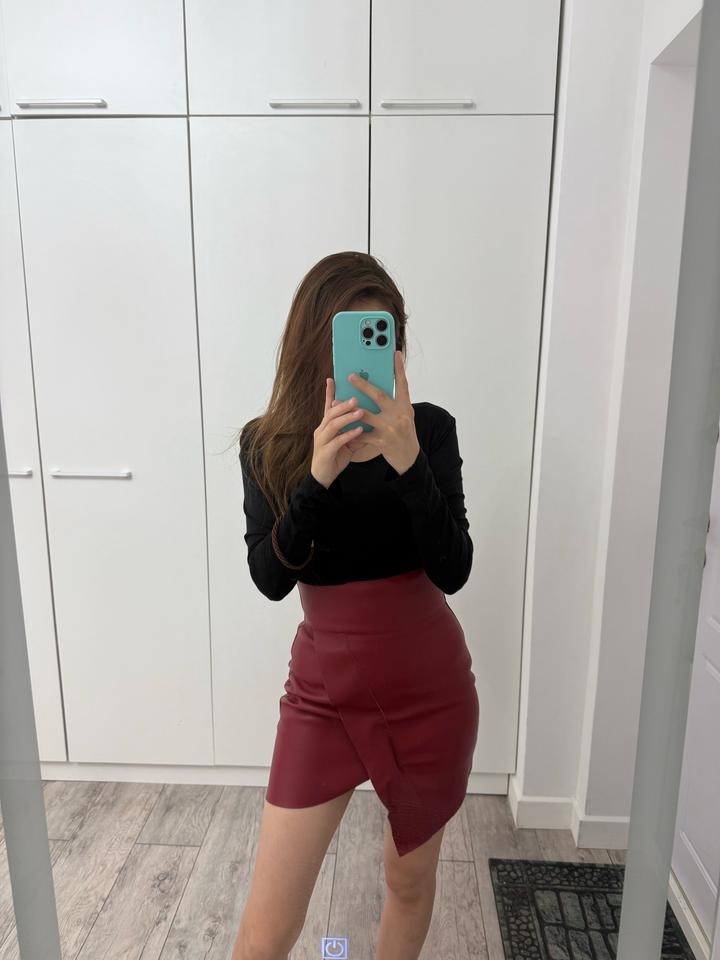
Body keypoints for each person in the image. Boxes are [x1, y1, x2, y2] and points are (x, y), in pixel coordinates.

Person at [231, 251, 479, 960]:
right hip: (324, 697)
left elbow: (454, 569)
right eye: (351, 338)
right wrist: (316, 477)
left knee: (408, 883)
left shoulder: (430, 432)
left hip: (431, 694)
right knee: (264, 932)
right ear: (318, 347)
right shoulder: (270, 445)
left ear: (396, 348)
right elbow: (269, 579)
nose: (370, 357)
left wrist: (408, 464)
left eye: (383, 336)